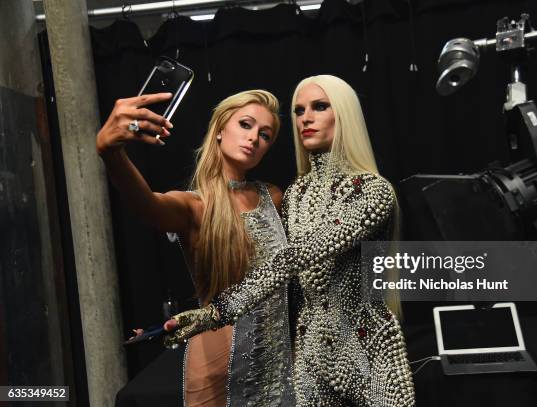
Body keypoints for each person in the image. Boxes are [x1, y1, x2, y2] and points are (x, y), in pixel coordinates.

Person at [165, 75, 416, 406]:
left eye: (320, 107)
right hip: (310, 358)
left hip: (368, 348)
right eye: (299, 111)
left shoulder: (373, 190)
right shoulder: (295, 194)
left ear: (345, 114)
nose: (306, 118)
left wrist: (218, 311)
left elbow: (299, 255)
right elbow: (267, 266)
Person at [96, 90, 295, 406]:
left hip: (278, 370)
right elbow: (147, 204)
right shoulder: (195, 206)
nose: (254, 137)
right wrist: (112, 153)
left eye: (265, 134)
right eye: (245, 124)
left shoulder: (273, 196)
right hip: (219, 372)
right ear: (219, 130)